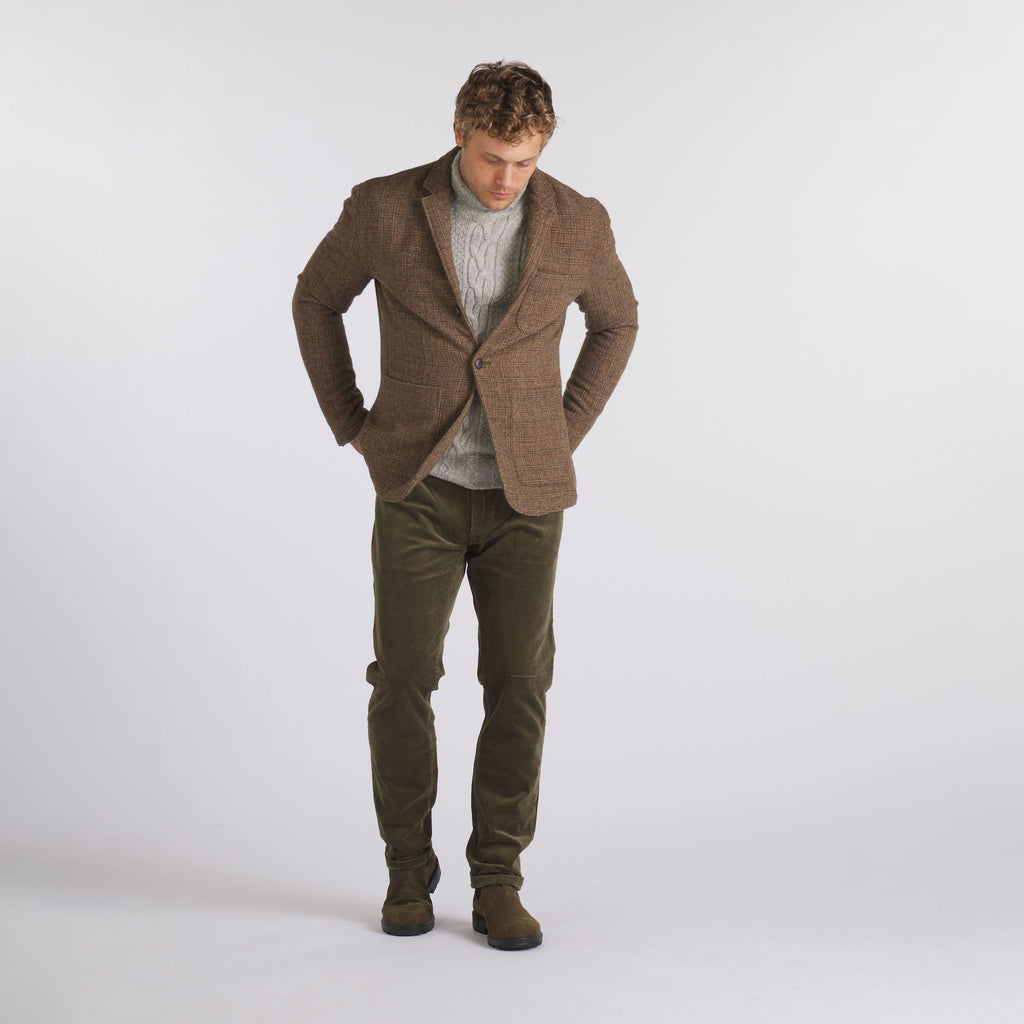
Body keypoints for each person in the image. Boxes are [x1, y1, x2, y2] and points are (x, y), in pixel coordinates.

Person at [292, 60, 638, 950]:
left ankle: (498, 878)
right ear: (458, 132)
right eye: (491, 157)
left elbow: (617, 321)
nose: (506, 179)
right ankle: (408, 870)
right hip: (419, 487)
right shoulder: (383, 209)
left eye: (524, 161)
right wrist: (352, 421)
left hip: (526, 500)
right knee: (403, 679)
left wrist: (561, 429)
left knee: (520, 684)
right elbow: (316, 299)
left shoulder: (579, 222)